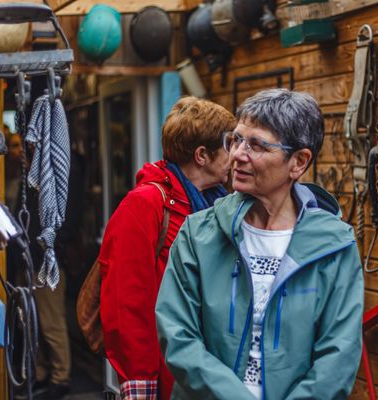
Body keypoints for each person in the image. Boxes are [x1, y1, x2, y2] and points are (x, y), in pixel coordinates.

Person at [156, 89, 364, 400]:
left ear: (298, 162)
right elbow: (178, 335)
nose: (237, 154)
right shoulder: (198, 235)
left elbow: (339, 355)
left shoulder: (335, 247)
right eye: (236, 140)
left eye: (257, 145)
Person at [99, 96, 236, 400]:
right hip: (167, 376)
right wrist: (141, 383)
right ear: (202, 155)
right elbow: (127, 304)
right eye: (229, 145)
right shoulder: (146, 204)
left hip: (213, 372)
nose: (236, 154)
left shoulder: (222, 205)